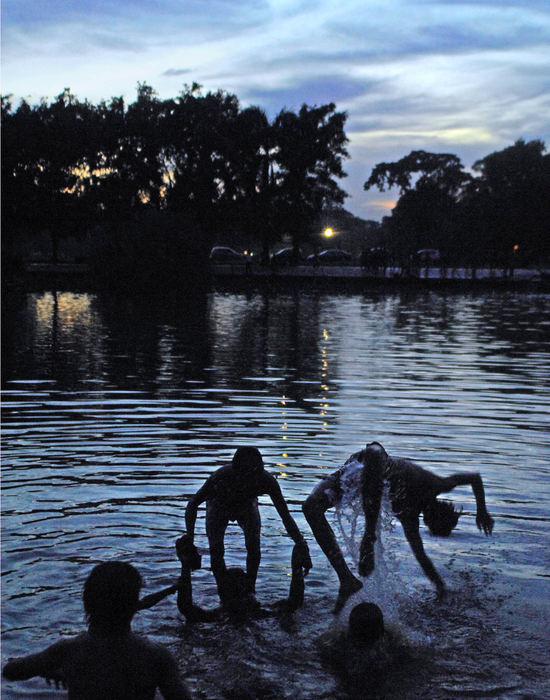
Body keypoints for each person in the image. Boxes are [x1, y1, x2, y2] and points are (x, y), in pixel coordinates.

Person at [303, 441, 494, 613]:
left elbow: (421, 556)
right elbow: (474, 478)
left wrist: (440, 588)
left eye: (429, 525)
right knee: (374, 452)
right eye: (433, 523)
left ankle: (347, 579)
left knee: (311, 508)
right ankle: (369, 537)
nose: (427, 522)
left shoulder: (409, 517)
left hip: (360, 482)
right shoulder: (435, 485)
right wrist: (482, 511)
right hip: (370, 462)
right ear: (441, 510)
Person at [2, 561, 192, 699]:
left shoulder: (69, 651)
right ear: (133, 606)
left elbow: (11, 671)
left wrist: (49, 668)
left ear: (86, 602)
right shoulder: (156, 656)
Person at [184, 446, 311, 596]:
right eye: (242, 474)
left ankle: (250, 589)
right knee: (216, 550)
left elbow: (285, 516)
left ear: (258, 470)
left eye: (251, 475)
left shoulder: (266, 481)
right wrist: (190, 543)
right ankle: (223, 591)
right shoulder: (221, 477)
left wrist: (301, 544)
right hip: (219, 503)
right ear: (235, 469)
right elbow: (193, 504)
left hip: (246, 505)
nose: (245, 479)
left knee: (253, 546)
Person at [175, 535, 306, 623]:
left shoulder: (217, 615)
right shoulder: (264, 612)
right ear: (249, 592)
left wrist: (185, 566)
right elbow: (295, 601)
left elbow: (186, 608)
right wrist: (296, 567)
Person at [318, 602, 411, 696]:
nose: (366, 640)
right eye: (362, 636)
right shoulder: (335, 642)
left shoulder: (394, 639)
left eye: (370, 636)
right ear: (351, 631)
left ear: (382, 631)